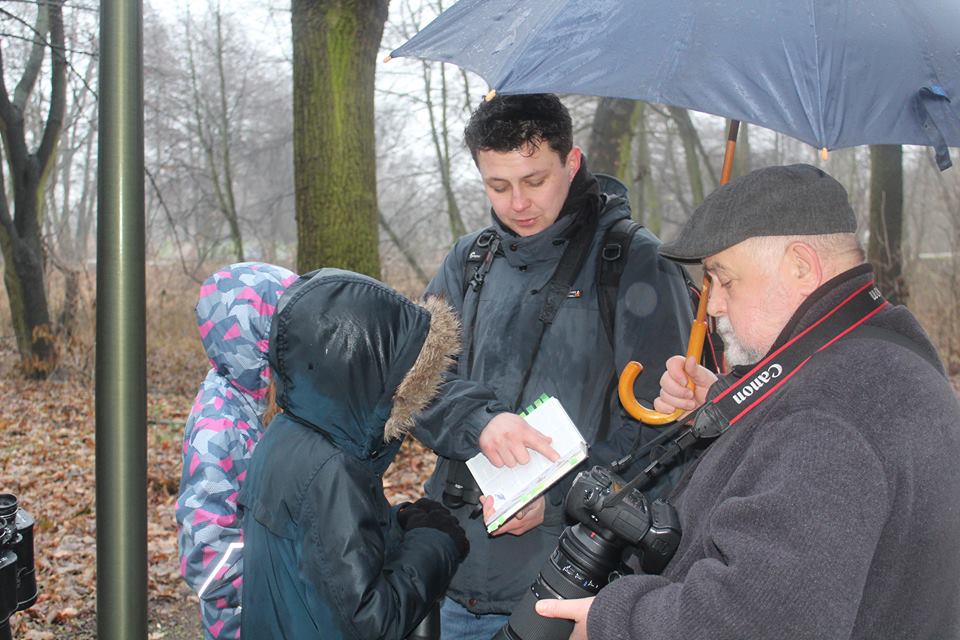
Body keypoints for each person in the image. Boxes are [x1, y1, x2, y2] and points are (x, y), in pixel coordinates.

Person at [535, 163, 960, 639]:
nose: (713, 304)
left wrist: (614, 622)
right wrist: (729, 403)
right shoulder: (883, 356)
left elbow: (754, 619)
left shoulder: (828, 416)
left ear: (801, 266)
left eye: (725, 279)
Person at [412, 93, 695, 638]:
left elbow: (667, 437)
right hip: (449, 568)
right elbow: (415, 384)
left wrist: (560, 502)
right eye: (498, 186)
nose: (517, 203)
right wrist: (481, 423)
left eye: (534, 180)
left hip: (566, 587)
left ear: (572, 161)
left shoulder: (634, 263)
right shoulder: (470, 261)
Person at [238, 268, 470, 639]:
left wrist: (398, 525)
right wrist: (435, 544)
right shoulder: (333, 470)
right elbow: (371, 621)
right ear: (366, 369)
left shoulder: (288, 435)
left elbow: (319, 556)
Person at [176, 261, 297, 640]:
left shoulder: (267, 399)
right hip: (246, 621)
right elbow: (205, 547)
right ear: (256, 336)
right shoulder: (218, 425)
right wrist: (260, 600)